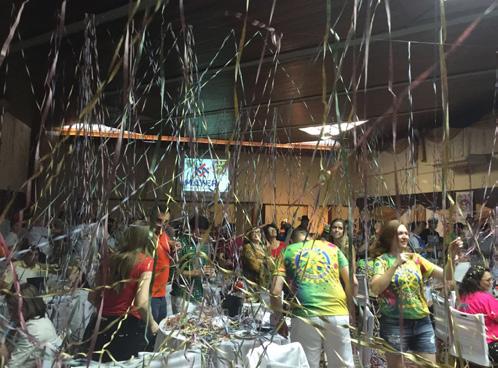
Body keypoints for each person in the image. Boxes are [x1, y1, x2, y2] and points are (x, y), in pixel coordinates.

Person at [369, 220, 461, 367]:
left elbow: (447, 276)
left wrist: (450, 256)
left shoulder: (415, 259)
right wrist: (395, 264)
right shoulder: (382, 261)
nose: (405, 236)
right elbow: (375, 288)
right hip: (394, 324)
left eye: (406, 233)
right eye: (400, 233)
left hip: (422, 322)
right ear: (390, 237)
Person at [270, 229, 358, 368]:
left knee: (306, 365)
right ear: (311, 237)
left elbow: (275, 291)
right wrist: (350, 312)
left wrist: (279, 319)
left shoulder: (288, 250)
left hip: (305, 316)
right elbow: (354, 283)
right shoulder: (331, 247)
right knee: (343, 365)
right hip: (338, 313)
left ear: (292, 241)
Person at [85, 224, 159, 362]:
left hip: (99, 325)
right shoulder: (145, 262)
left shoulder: (108, 259)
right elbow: (141, 302)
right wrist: (152, 324)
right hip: (126, 327)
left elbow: (92, 296)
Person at [1, 283, 61, 368]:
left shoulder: (33, 330)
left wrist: (3, 354)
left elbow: (11, 365)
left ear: (25, 307)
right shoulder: (41, 319)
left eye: (12, 309)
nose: (11, 314)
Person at [170, 215, 215, 313]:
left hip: (198, 295)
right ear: (190, 229)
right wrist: (195, 273)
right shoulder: (180, 244)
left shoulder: (202, 245)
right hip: (182, 296)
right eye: (200, 232)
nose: (202, 236)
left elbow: (205, 267)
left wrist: (210, 272)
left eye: (205, 233)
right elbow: (173, 274)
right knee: (181, 326)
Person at [458, 265, 498, 363]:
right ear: (476, 282)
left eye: (492, 279)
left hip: (470, 347)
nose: (491, 282)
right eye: (488, 280)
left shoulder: (462, 298)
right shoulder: (486, 299)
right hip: (489, 347)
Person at [149, 205, 173, 323]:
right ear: (151, 219)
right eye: (159, 221)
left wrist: (173, 247)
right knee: (148, 334)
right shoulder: (147, 237)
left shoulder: (164, 235)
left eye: (166, 222)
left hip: (162, 293)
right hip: (150, 294)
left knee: (160, 332)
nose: (163, 225)